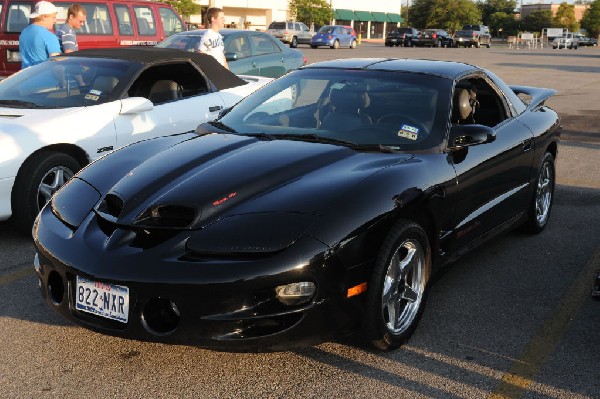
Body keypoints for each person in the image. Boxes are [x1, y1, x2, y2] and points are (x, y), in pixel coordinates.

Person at [19, 1, 61, 69]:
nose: (55, 21)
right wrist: (62, 79)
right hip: (44, 77)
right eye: (53, 17)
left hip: (26, 77)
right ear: (43, 17)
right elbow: (56, 64)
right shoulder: (49, 36)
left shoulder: (24, 32)